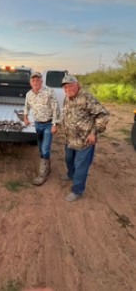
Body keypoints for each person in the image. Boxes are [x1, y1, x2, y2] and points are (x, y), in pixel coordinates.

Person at [61, 74, 109, 202]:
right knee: (68, 159)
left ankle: (77, 190)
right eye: (65, 86)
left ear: (77, 85)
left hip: (84, 142)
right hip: (70, 139)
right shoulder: (67, 98)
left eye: (70, 85)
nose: (67, 88)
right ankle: (71, 174)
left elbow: (102, 114)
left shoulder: (86, 97)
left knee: (81, 166)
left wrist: (94, 132)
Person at [24, 72, 60, 185]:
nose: (35, 82)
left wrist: (55, 124)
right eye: (33, 80)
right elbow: (26, 106)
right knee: (40, 147)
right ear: (30, 82)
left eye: (38, 80)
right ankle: (47, 167)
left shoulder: (49, 92)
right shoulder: (29, 94)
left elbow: (56, 108)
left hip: (48, 124)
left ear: (41, 81)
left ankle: (42, 175)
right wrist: (25, 117)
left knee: (45, 148)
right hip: (37, 124)